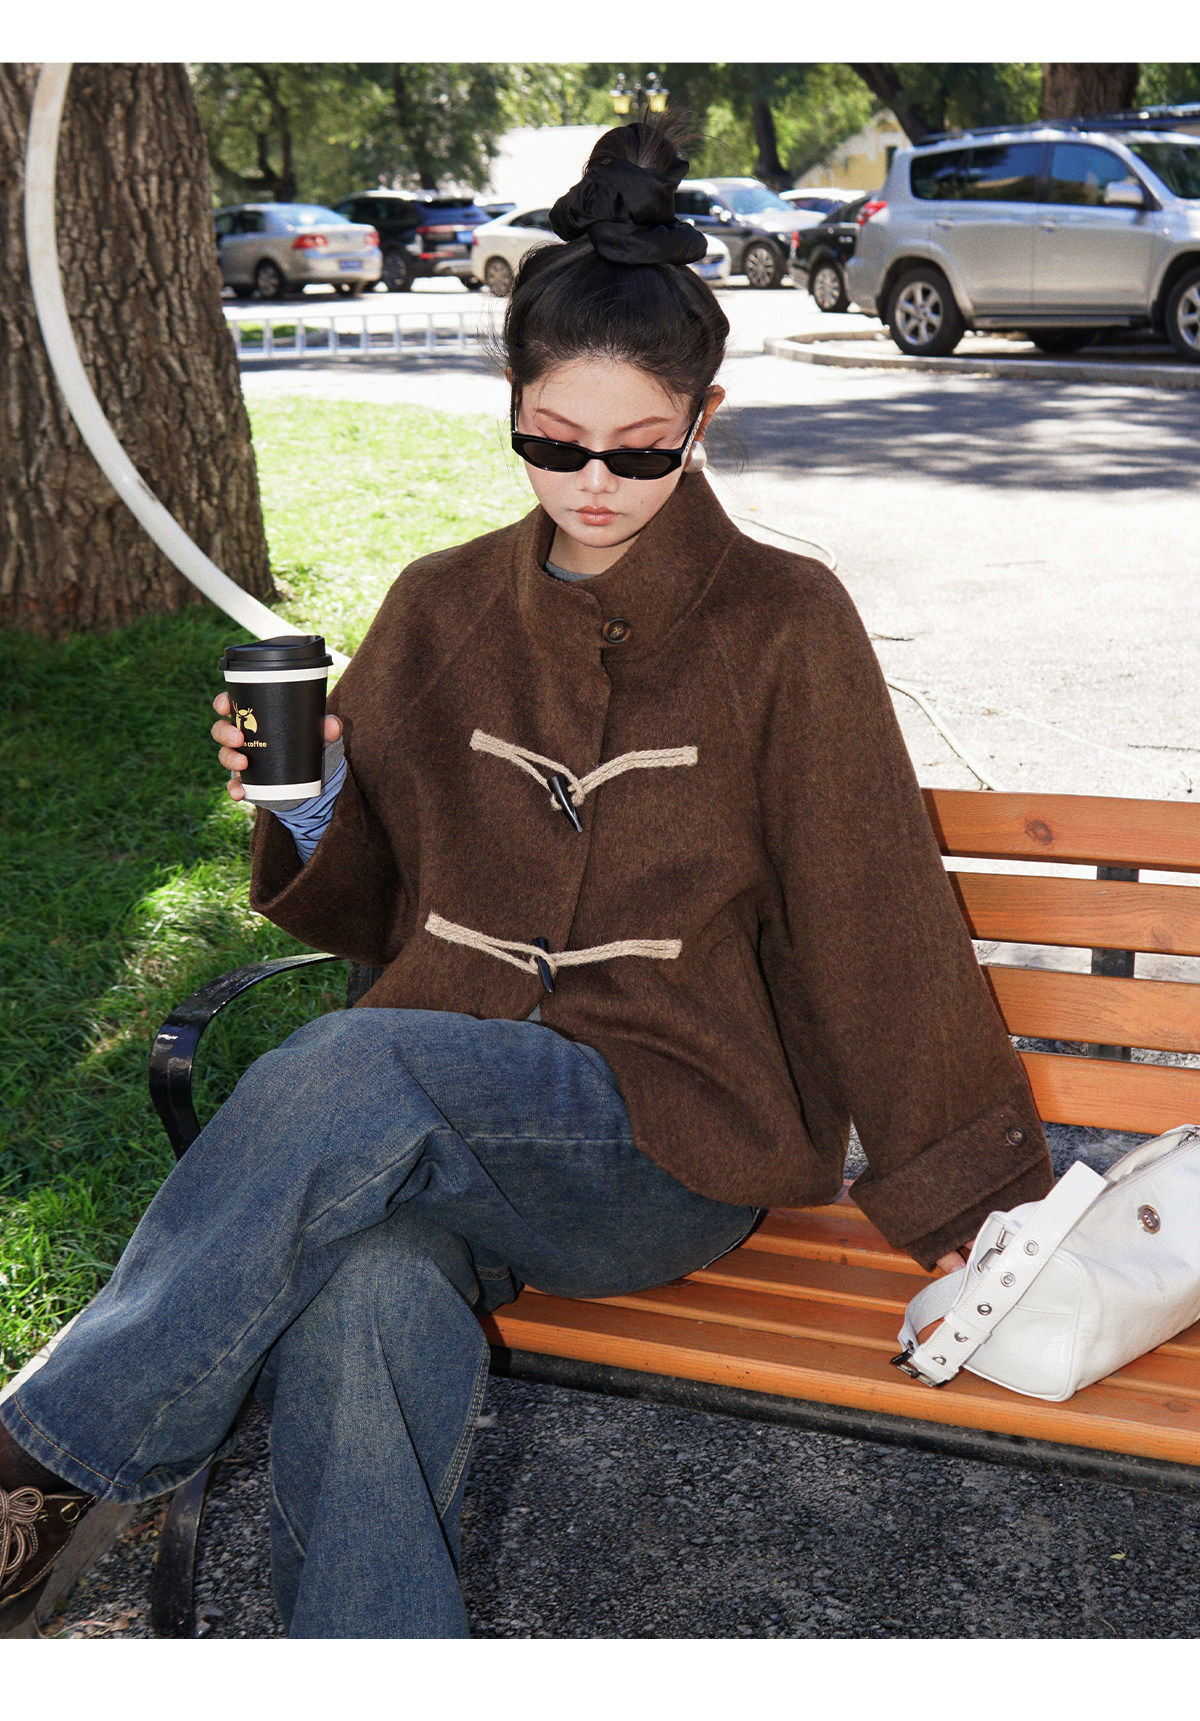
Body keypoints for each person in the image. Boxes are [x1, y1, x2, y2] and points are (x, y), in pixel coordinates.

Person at [0, 118, 1053, 1639]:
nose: (596, 481)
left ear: (703, 419)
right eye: (556, 442)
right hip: (438, 1135)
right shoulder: (439, 606)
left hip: (664, 1146)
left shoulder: (784, 622)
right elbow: (375, 900)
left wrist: (975, 1193)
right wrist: (310, 801)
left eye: (642, 447)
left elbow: (873, 915)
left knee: (358, 1063)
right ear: (511, 407)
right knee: (368, 1285)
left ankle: (43, 1463)